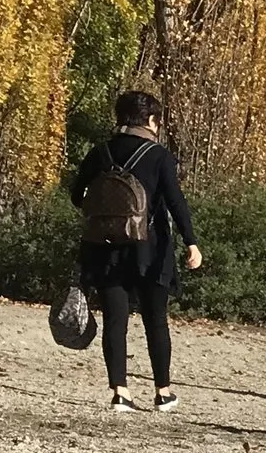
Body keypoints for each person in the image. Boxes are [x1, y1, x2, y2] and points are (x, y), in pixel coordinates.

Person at [69, 90, 201, 414]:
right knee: (156, 321)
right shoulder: (159, 156)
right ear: (152, 120)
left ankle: (120, 393)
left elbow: (77, 195)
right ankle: (163, 392)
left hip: (105, 248)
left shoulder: (100, 152)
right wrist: (191, 241)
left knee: (116, 320)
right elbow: (175, 201)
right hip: (150, 250)